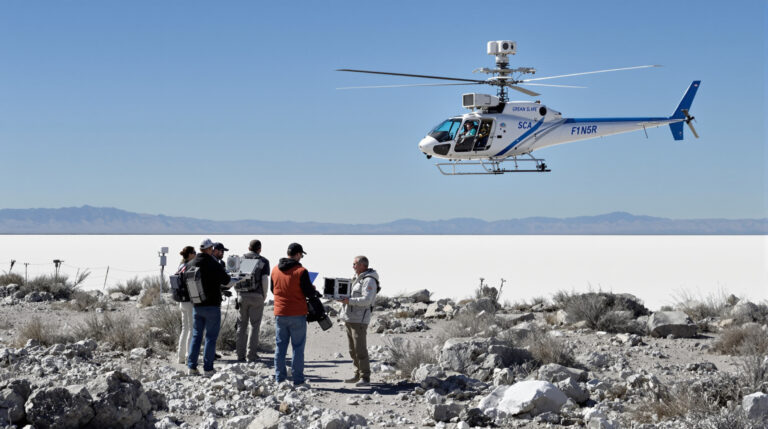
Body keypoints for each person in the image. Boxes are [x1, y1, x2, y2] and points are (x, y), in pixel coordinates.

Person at [271, 242, 316, 386]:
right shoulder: (301, 271)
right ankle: (298, 380)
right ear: (297, 254)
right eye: (301, 255)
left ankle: (280, 378)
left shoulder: (275, 270)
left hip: (280, 313)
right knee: (297, 348)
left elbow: (273, 289)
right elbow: (309, 293)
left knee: (280, 346)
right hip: (297, 313)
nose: (301, 257)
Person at [186, 238, 231, 377]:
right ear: (210, 249)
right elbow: (226, 280)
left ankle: (191, 367)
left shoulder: (191, 263)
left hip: (197, 305)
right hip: (212, 305)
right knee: (210, 338)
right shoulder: (213, 263)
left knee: (196, 336)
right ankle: (208, 369)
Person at [340, 255, 379, 387]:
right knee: (352, 350)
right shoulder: (357, 279)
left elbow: (367, 300)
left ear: (363, 265)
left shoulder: (369, 281)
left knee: (360, 349)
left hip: (359, 320)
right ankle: (357, 374)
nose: (353, 266)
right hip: (350, 318)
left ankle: (365, 377)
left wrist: (349, 301)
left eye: (355, 264)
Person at [236, 239, 270, 362]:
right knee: (255, 326)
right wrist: (264, 294)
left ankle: (240, 355)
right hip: (257, 296)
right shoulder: (263, 261)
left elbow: (235, 277)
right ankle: (251, 355)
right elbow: (265, 280)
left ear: (249, 248)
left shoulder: (240, 259)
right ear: (259, 249)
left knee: (241, 325)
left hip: (242, 295)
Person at [176, 246, 196, 364]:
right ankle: (189, 355)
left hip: (182, 301)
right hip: (190, 301)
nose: (195, 254)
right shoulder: (190, 267)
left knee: (185, 329)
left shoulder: (180, 266)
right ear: (189, 254)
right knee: (192, 329)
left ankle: (181, 357)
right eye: (194, 252)